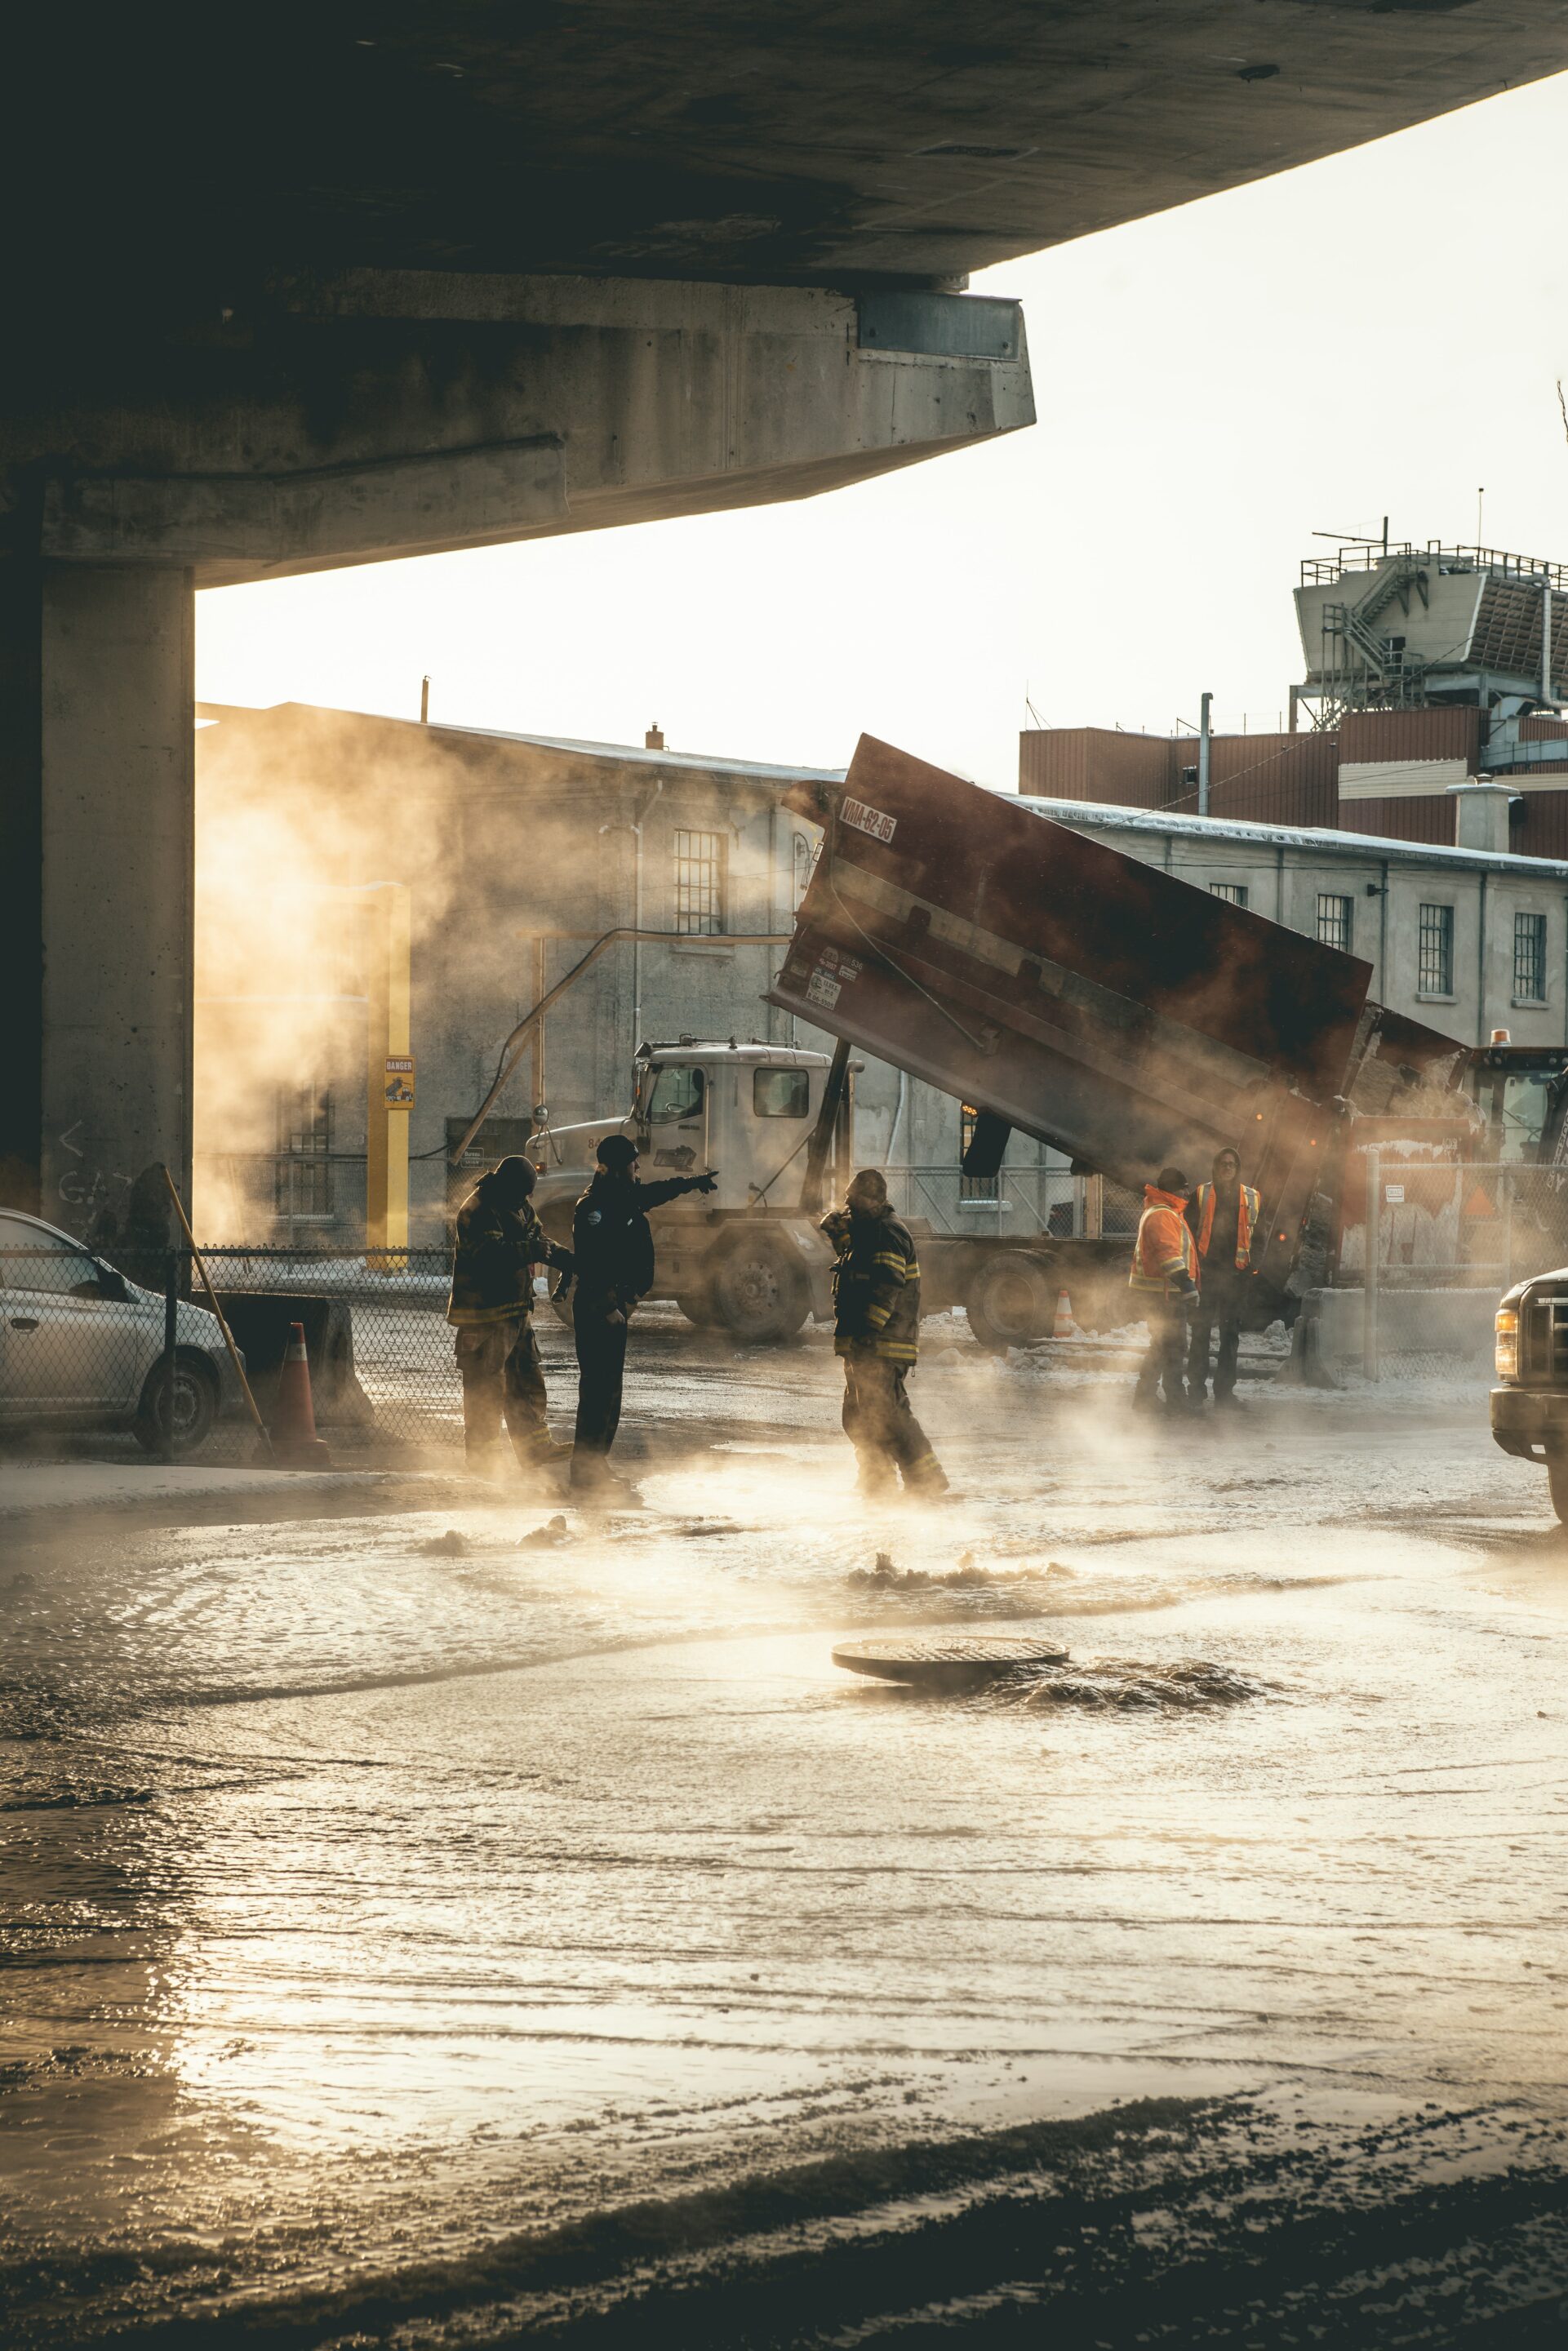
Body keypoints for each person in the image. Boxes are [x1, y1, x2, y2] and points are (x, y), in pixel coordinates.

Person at [566, 1133, 717, 1496]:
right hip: (598, 1309)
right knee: (597, 1393)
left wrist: (692, 1183)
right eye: (634, 1163)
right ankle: (585, 1473)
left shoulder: (624, 1196)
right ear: (619, 1168)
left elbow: (656, 1192)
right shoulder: (594, 1207)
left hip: (616, 1308)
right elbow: (590, 1264)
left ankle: (596, 1465)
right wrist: (607, 1306)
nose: (639, 1168)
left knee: (611, 1392)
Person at [820, 1167, 947, 1497]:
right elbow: (858, 1268)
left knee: (888, 1415)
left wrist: (868, 1331)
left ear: (872, 1198)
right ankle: (877, 1478)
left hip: (882, 1341)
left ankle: (926, 1480)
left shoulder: (888, 1232)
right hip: (862, 1341)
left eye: (852, 1198)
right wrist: (839, 1236)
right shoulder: (869, 1229)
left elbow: (886, 1286)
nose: (846, 1203)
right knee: (858, 1417)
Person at [446, 1155, 574, 1482]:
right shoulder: (479, 1209)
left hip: (516, 1313)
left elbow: (539, 1241)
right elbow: (491, 1256)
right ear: (508, 1185)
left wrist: (570, 1260)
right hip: (484, 1318)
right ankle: (483, 1461)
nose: (527, 1200)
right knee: (485, 1388)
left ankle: (535, 1449)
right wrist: (532, 1250)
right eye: (523, 1193)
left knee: (526, 1381)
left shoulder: (517, 1206)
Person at [1185, 1145, 1260, 1411]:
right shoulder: (1201, 1194)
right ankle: (1195, 1391)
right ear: (1216, 1167)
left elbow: (1257, 1236)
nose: (1227, 1168)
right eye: (1223, 1164)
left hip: (1235, 1276)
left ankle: (1224, 1393)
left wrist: (1251, 1268)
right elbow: (1189, 1232)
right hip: (1206, 1274)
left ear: (1238, 1169)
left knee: (1230, 1335)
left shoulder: (1251, 1197)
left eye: (1232, 1164)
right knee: (1200, 1333)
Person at [1129, 1164, 1199, 1411]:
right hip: (1164, 1294)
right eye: (1185, 1189)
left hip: (1163, 1292)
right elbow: (1169, 1255)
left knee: (1168, 1344)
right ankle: (1162, 1398)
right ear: (1175, 1190)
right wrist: (1187, 1285)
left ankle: (1156, 1396)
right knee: (1167, 1344)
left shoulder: (1163, 1212)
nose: (1188, 1195)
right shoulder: (1162, 1214)